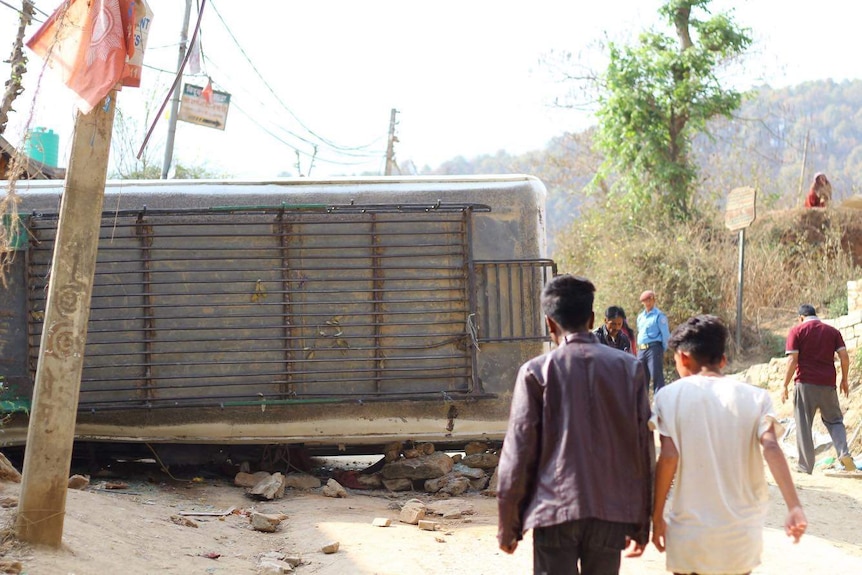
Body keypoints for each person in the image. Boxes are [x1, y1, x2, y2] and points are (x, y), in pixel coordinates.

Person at [497, 274, 652, 574]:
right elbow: (643, 450)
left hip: (554, 512)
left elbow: (517, 455)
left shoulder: (536, 372)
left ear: (549, 323)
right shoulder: (630, 369)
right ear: (592, 317)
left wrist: (508, 525)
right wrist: (641, 521)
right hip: (610, 515)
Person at [651, 315, 807, 575]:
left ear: (683, 357)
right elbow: (771, 448)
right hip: (739, 540)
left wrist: (656, 518)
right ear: (722, 360)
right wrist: (794, 506)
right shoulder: (756, 397)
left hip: (689, 537)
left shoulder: (667, 397)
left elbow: (668, 456)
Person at [781, 304, 856, 473]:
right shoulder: (832, 332)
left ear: (801, 318)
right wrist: (844, 379)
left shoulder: (797, 331)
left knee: (803, 424)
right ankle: (844, 453)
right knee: (835, 421)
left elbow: (793, 360)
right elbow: (844, 356)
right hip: (828, 384)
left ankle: (805, 466)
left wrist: (784, 385)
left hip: (805, 384)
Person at [636, 290, 670, 394]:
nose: (648, 303)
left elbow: (666, 335)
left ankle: (659, 405)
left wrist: (661, 349)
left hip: (654, 348)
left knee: (657, 376)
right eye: (645, 301)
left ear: (654, 300)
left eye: (649, 300)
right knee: (641, 378)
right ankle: (642, 406)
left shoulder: (659, 316)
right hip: (642, 350)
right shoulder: (641, 317)